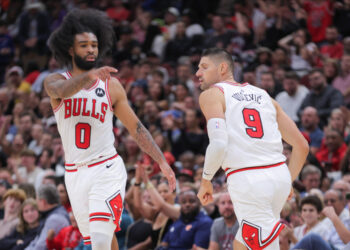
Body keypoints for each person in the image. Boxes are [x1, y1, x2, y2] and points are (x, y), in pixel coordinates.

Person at [44, 9, 175, 250]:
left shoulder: (110, 85)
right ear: (70, 50)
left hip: (106, 167)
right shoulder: (54, 80)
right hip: (74, 173)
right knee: (101, 239)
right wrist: (87, 77)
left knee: (101, 239)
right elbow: (60, 92)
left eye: (94, 44)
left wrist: (162, 162)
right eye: (84, 45)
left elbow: (136, 127)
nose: (91, 49)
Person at [195, 48, 309, 250]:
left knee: (261, 246)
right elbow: (301, 145)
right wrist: (288, 180)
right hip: (278, 176)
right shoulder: (264, 96)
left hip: (249, 180)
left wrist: (206, 180)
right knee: (243, 243)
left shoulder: (212, 94)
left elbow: (219, 144)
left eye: (204, 67)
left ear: (222, 68)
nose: (198, 73)